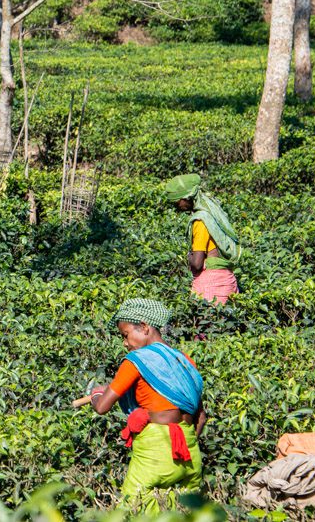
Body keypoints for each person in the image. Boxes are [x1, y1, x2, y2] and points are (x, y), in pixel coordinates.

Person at [89, 298, 206, 513]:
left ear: (144, 327)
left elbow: (102, 407)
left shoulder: (136, 360)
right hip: (190, 452)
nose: (125, 343)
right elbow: (202, 416)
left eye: (125, 335)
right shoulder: (185, 360)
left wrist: (96, 394)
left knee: (133, 510)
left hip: (155, 451)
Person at [164, 173, 241, 304]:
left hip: (211, 284)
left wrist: (189, 256)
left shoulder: (200, 221)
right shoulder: (213, 213)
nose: (176, 206)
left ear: (187, 197)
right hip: (228, 280)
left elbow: (197, 263)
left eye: (177, 201)